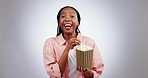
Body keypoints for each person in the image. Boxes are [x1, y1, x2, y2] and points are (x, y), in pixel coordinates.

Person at [43, 6, 104, 78]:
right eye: (63, 16)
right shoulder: (50, 43)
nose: (67, 19)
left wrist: (86, 71)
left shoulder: (89, 42)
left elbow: (96, 73)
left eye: (72, 16)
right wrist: (67, 48)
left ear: (78, 22)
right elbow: (53, 75)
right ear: (59, 23)